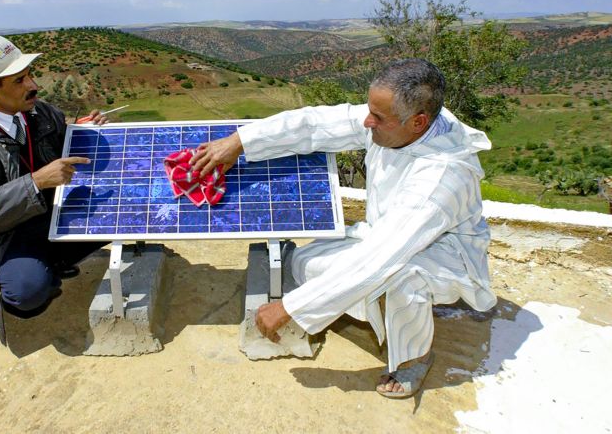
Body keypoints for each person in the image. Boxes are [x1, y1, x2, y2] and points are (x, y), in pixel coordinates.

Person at [191, 58, 497, 398]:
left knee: (399, 277)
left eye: (377, 118)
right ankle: (364, 305)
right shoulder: (396, 120)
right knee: (302, 265)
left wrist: (291, 308)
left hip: (443, 255)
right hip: (384, 235)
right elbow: (314, 125)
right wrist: (239, 143)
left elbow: (381, 256)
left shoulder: (444, 176)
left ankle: (414, 358)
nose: (367, 122)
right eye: (369, 110)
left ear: (418, 122)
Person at [0, 34, 108, 345]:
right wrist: (35, 182)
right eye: (20, 80)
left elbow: (62, 144)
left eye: (29, 75)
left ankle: (51, 259)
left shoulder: (42, 114)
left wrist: (81, 131)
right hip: (5, 236)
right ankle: (35, 269)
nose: (33, 85)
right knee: (29, 292)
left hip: (47, 215)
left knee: (120, 212)